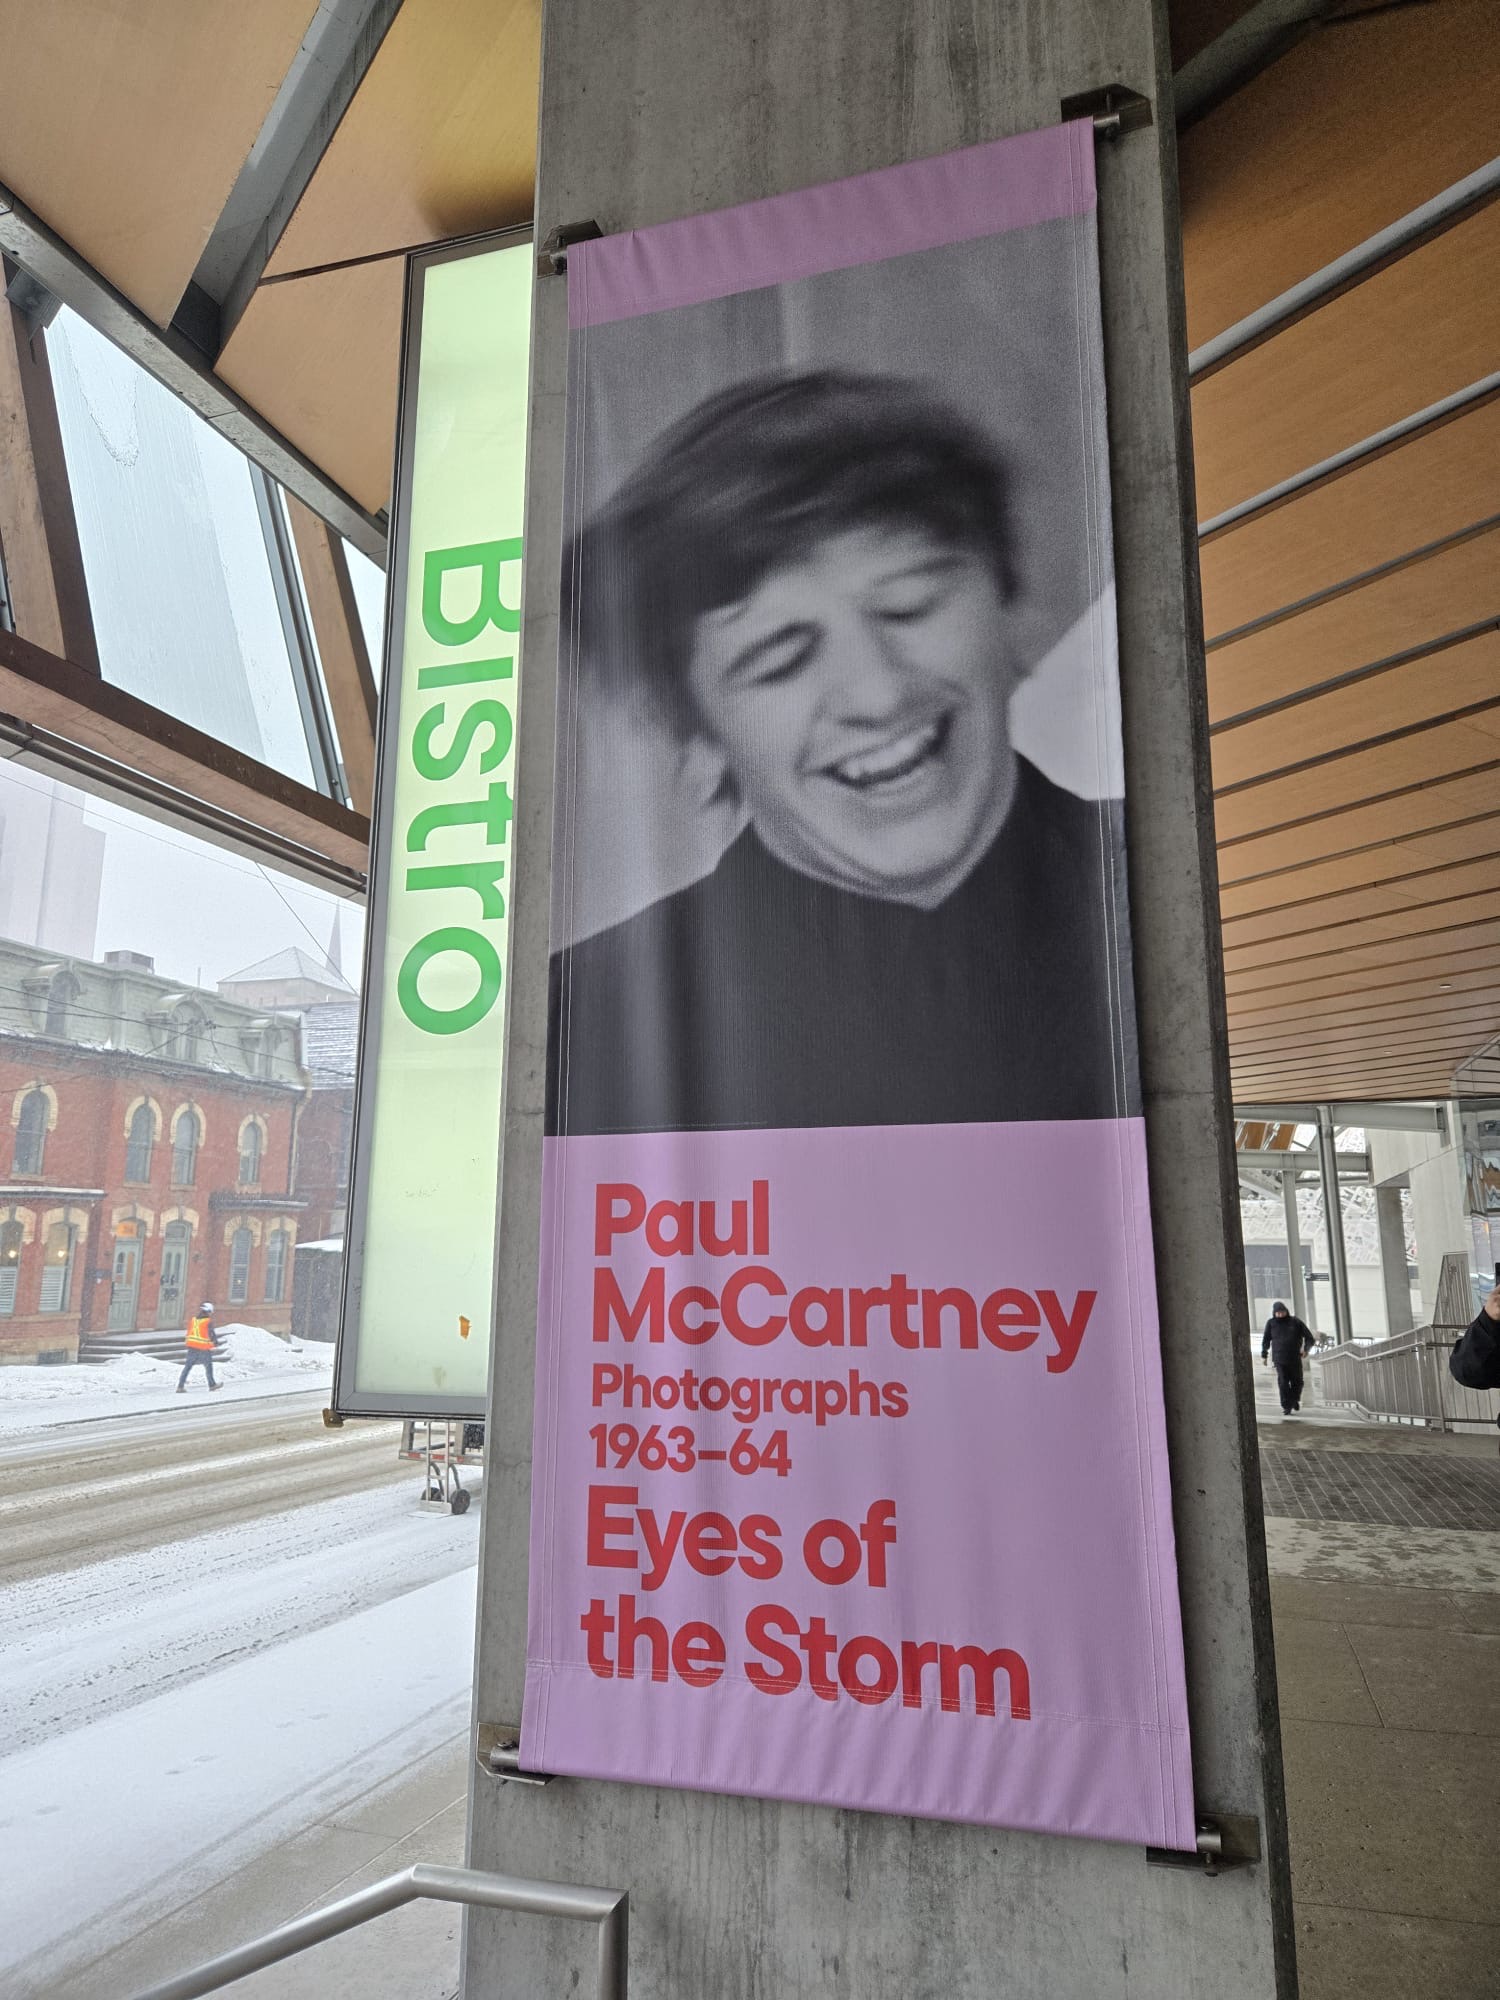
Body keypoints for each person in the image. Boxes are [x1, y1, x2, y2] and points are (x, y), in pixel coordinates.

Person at [549, 369, 1136, 1137]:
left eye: (910, 605)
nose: (879, 694)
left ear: (1007, 605)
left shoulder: (1178, 895)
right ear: (696, 734)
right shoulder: (580, 1025)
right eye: (779, 659)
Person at [1261, 1301, 1315, 1416]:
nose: (1280, 1314)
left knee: (1297, 1382)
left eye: (1282, 1312)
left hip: (1294, 1358)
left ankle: (1294, 1400)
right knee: (1283, 1382)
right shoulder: (1271, 1323)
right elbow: (1266, 1340)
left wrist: (1306, 1349)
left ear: (1286, 1311)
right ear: (1274, 1313)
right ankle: (1286, 1406)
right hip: (1279, 1359)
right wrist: (1264, 1355)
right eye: (1278, 1313)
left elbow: (1309, 1338)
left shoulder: (1295, 1322)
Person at [177, 1302, 222, 1393]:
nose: (211, 1314)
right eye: (210, 1312)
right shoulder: (207, 1321)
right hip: (203, 1348)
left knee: (187, 1367)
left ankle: (180, 1386)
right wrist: (215, 1342)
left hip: (192, 1347)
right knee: (208, 1367)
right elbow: (211, 1333)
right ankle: (212, 1385)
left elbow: (190, 1331)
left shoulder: (194, 1320)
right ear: (208, 1311)